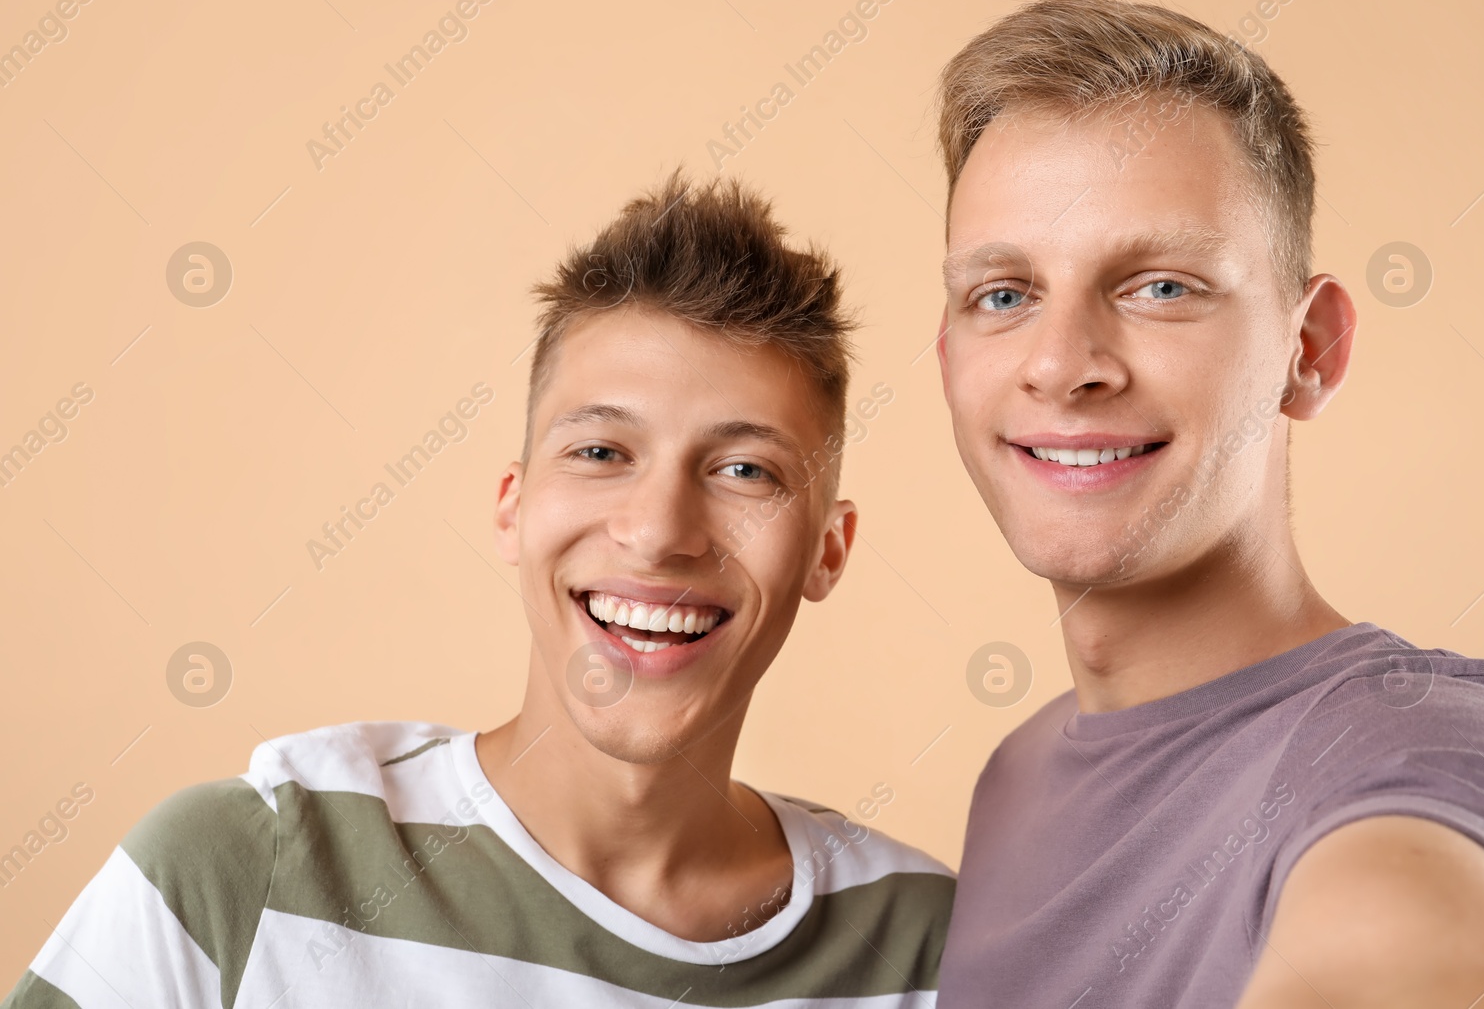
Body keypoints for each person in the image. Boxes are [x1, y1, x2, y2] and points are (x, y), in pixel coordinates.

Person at [3, 173, 954, 1008]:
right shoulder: (247, 867)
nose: (660, 530)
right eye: (599, 452)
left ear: (829, 549)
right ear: (513, 506)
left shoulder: (931, 954)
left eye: (745, 471)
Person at [930, 0, 1484, 1008]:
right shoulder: (1015, 777)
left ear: (1310, 349)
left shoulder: (1421, 745)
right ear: (945, 355)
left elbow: (1405, 948)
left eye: (1159, 286)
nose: (1061, 364)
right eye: (1004, 294)